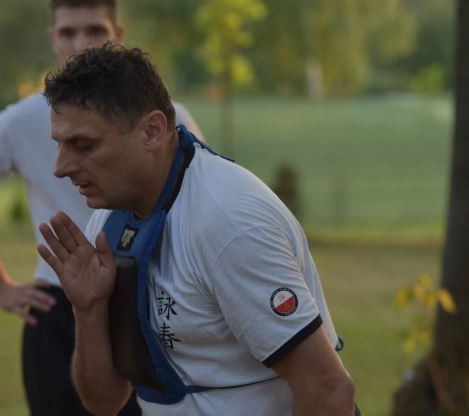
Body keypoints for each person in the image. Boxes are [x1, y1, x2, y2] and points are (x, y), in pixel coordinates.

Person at [37, 43, 357, 415]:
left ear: (152, 131)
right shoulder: (110, 221)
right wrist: (88, 310)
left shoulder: (228, 221)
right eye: (60, 144)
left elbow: (329, 391)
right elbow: (104, 401)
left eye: (83, 145)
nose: (60, 167)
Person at [0, 1, 202, 415]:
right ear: (52, 39)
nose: (81, 43)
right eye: (68, 32)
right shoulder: (20, 120)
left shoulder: (164, 118)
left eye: (95, 30)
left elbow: (196, 204)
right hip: (58, 309)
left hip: (146, 302)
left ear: (118, 35)